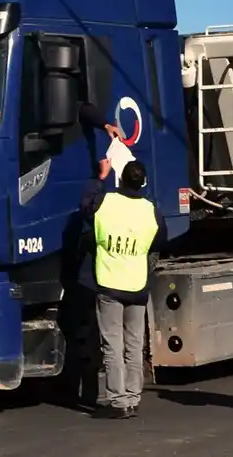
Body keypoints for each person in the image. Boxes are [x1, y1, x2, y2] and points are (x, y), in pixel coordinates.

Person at [79, 157, 165, 420]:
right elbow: (161, 240)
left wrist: (99, 178)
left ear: (121, 179)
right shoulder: (151, 210)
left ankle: (118, 403)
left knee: (112, 345)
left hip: (110, 286)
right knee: (134, 344)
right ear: (144, 183)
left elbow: (85, 206)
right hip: (137, 287)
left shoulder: (106, 202)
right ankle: (133, 397)